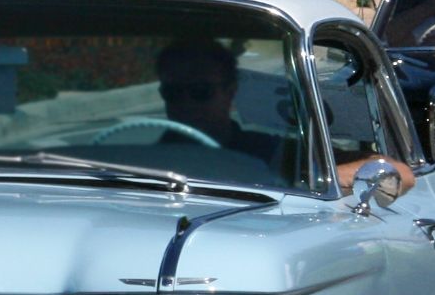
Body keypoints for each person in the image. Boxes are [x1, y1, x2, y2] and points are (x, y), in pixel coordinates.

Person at [154, 38, 415, 193]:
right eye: (173, 93)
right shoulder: (141, 160)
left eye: (200, 92)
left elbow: (400, 172)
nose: (185, 103)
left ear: (230, 92)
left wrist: (315, 180)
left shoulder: (271, 152)